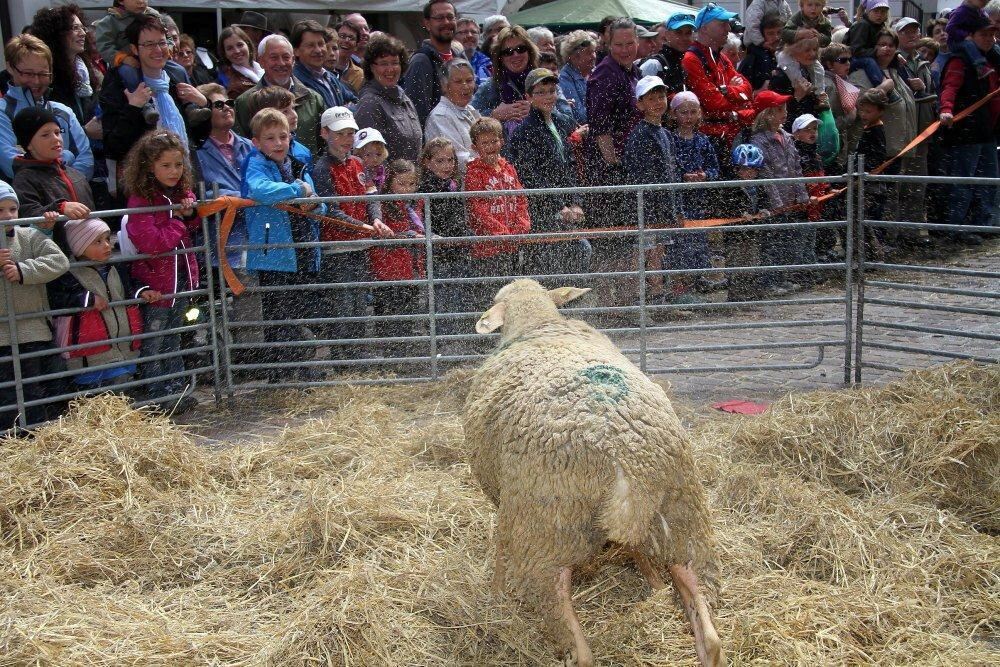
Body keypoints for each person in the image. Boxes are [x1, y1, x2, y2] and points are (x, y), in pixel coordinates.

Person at [240, 107, 324, 377]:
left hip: (300, 248)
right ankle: (281, 371)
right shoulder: (255, 165)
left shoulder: (297, 164)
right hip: (272, 252)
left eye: (283, 136)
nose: (278, 143)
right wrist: (296, 190)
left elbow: (318, 201)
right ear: (256, 142)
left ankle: (298, 366)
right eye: (270, 138)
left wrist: (314, 206)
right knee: (279, 314)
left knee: (298, 309)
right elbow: (260, 189)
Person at [119, 130, 200, 404]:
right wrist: (178, 219)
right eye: (165, 165)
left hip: (178, 280)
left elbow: (192, 227)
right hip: (156, 283)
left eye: (178, 165)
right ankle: (157, 393)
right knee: (155, 342)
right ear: (148, 166)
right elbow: (153, 242)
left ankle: (177, 391)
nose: (174, 171)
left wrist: (190, 210)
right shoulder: (141, 200)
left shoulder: (176, 195)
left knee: (173, 338)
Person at [47, 218, 161, 395]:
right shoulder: (68, 272)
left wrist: (142, 291)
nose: (107, 245)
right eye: (98, 242)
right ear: (78, 246)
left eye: (108, 239)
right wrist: (87, 299)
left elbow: (129, 285)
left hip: (122, 346)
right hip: (88, 353)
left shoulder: (116, 266)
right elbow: (59, 298)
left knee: (123, 390)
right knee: (92, 394)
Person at [311, 107, 389, 360]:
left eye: (351, 133)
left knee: (358, 302)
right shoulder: (322, 169)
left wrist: (375, 218)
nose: (347, 138)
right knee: (343, 303)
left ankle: (355, 355)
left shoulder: (357, 164)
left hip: (359, 244)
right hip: (338, 247)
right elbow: (329, 210)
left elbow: (371, 195)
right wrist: (366, 226)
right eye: (341, 133)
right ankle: (343, 357)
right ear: (325, 133)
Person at [506, 68, 590, 282]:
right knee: (548, 264)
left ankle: (568, 308)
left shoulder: (561, 122)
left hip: (566, 209)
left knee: (579, 253)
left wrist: (576, 202)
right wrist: (558, 206)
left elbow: (570, 167)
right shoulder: (524, 132)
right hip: (541, 211)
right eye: (540, 92)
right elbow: (529, 175)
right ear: (528, 97)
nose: (547, 96)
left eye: (551, 91)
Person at [0, 182, 70, 427]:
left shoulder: (29, 236)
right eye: (0, 210)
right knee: (6, 394)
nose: (8, 216)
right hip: (1, 336)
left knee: (34, 389)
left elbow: (59, 261)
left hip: (32, 330)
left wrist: (23, 270)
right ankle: (9, 441)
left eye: (12, 209)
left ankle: (35, 436)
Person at [99, 14, 209, 161]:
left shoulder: (176, 74)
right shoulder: (121, 81)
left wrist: (204, 103)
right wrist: (133, 108)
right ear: (134, 49)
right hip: (142, 178)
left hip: (183, 172)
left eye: (162, 43)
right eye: (149, 44)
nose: (158, 50)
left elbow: (198, 137)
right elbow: (113, 147)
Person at [938, 19, 1000, 244]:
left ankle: (983, 225)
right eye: (983, 35)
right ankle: (957, 227)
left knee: (989, 180)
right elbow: (950, 88)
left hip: (988, 131)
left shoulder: (993, 59)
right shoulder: (960, 60)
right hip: (966, 132)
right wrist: (946, 110)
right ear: (971, 37)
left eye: (991, 35)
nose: (989, 39)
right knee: (963, 182)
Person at [0, 34, 94, 180]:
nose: (36, 81)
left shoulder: (63, 111)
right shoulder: (2, 112)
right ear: (10, 68)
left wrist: (61, 185)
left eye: (43, 74)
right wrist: (67, 156)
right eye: (28, 74)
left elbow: (87, 162)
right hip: (23, 201)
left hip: (71, 197)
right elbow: (13, 164)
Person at [622, 76, 681, 304]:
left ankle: (656, 293)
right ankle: (637, 295)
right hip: (646, 207)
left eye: (661, 97)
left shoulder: (665, 134)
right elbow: (642, 177)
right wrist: (655, 206)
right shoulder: (640, 135)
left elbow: (672, 174)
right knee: (642, 252)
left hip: (663, 206)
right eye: (651, 98)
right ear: (640, 104)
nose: (658, 102)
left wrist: (674, 206)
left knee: (658, 250)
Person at [749, 90, 812, 295]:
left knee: (785, 240)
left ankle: (780, 277)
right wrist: (777, 202)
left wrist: (801, 195)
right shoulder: (759, 141)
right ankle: (767, 280)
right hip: (771, 202)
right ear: (766, 114)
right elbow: (765, 174)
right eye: (778, 109)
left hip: (788, 199)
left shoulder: (787, 137)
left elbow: (796, 168)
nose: (784, 112)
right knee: (771, 242)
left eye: (784, 108)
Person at [464, 117, 530, 309]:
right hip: (488, 249)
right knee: (492, 297)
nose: (491, 146)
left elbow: (520, 198)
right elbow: (478, 209)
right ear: (475, 146)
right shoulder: (474, 173)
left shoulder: (509, 168)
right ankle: (487, 336)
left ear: (501, 140)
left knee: (512, 293)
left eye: (494, 141)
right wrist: (500, 232)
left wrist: (522, 223)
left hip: (513, 244)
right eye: (485, 143)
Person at [683, 5, 755, 178]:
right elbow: (713, 103)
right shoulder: (692, 59)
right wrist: (734, 95)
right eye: (723, 24)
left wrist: (726, 90)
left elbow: (748, 91)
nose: (728, 28)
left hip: (728, 135)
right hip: (709, 138)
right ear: (705, 28)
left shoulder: (721, 57)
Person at [11, 106, 95, 253]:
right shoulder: (24, 179)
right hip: (54, 259)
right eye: (45, 135)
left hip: (89, 254)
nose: (56, 139)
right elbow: (28, 214)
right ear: (29, 144)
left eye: (57, 132)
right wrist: (59, 208)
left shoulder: (76, 174)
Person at [666, 90, 720, 301]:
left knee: (698, 241)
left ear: (699, 114)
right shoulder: (671, 140)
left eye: (692, 112)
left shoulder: (703, 141)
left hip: (698, 201)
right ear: (674, 115)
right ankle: (680, 286)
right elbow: (668, 169)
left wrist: (705, 176)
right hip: (679, 200)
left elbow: (715, 169)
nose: (688, 117)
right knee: (679, 244)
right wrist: (682, 177)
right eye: (683, 112)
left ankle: (696, 281)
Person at [417, 137, 472, 340]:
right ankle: (443, 340)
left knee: (459, 295)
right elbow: (420, 219)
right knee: (442, 297)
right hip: (439, 253)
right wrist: (434, 237)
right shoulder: (425, 187)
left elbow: (458, 214)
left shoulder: (453, 184)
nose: (447, 165)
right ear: (427, 162)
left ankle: (457, 337)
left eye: (450, 160)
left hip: (457, 248)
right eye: (440, 161)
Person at [234, 34, 325, 155]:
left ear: (293, 60)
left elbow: (324, 144)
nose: (281, 63)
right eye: (274, 57)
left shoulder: (313, 99)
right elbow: (241, 147)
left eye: (286, 57)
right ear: (261, 61)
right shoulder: (246, 102)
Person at [369, 159, 424, 357]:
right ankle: (391, 356)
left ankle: (403, 354)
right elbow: (386, 235)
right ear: (390, 182)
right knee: (389, 314)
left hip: (410, 268)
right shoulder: (384, 204)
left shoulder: (416, 203)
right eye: (401, 184)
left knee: (407, 313)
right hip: (388, 270)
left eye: (411, 184)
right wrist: (410, 236)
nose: (407, 189)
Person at [894, 17, 937, 233]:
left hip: (921, 131)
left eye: (915, 31)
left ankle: (910, 232)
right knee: (897, 185)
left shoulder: (922, 62)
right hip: (900, 134)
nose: (912, 35)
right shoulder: (892, 61)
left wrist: (924, 89)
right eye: (906, 32)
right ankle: (893, 233)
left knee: (917, 184)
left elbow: (931, 95)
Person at [28, 3, 101, 125]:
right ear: (57, 34)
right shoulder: (47, 76)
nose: (83, 33)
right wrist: (85, 131)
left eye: (83, 27)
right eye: (75, 28)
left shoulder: (84, 69)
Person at [355, 34, 423, 162]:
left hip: (411, 179)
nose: (390, 69)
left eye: (395, 63)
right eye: (383, 63)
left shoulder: (405, 99)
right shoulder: (369, 104)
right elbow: (370, 158)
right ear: (371, 67)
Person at [404, 1, 464, 127]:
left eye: (450, 17)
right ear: (427, 24)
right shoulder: (421, 61)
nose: (446, 22)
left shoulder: (459, 57)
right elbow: (417, 114)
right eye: (440, 18)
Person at [471, 25, 539, 130]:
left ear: (529, 52)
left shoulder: (545, 81)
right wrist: (493, 115)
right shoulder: (489, 87)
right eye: (508, 52)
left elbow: (568, 120)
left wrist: (539, 110)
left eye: (521, 49)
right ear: (500, 58)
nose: (515, 55)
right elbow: (469, 119)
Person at [724, 144, 769, 301]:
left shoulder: (759, 186)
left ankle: (751, 290)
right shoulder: (731, 187)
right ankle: (735, 293)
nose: (747, 173)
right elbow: (726, 206)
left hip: (752, 232)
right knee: (736, 261)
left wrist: (764, 210)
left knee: (753, 260)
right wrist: (740, 214)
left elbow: (764, 200)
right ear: (737, 170)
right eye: (743, 169)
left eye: (752, 170)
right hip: (735, 234)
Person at [424, 59, 481, 172]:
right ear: (445, 86)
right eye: (458, 81)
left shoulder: (470, 109)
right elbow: (458, 159)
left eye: (469, 80)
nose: (465, 86)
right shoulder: (440, 116)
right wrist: (488, 165)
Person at [290, 20, 357, 110]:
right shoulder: (296, 81)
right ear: (296, 51)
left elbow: (356, 102)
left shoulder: (330, 77)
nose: (318, 50)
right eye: (310, 45)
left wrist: (342, 112)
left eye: (321, 44)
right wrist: (344, 112)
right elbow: (321, 116)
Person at [777, 0, 836, 103]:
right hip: (790, 50)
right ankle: (799, 84)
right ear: (802, 6)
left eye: (817, 5)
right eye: (809, 5)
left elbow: (827, 39)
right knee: (789, 64)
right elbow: (785, 33)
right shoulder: (797, 18)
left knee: (819, 69)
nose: (813, 8)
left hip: (810, 50)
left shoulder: (824, 21)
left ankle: (819, 95)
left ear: (823, 7)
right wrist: (801, 33)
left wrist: (819, 36)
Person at [769, 37, 825, 128]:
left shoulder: (809, 69)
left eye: (815, 49)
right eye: (807, 50)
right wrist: (797, 97)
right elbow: (778, 116)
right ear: (793, 50)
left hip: (810, 130)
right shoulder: (780, 77)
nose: (812, 53)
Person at [846, 0, 897, 92]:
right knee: (869, 61)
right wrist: (876, 52)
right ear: (868, 11)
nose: (879, 15)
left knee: (897, 60)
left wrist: (897, 54)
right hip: (850, 60)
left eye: (883, 12)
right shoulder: (862, 25)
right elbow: (856, 50)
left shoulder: (881, 26)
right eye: (876, 11)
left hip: (867, 56)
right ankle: (882, 87)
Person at [92, 0, 161, 69]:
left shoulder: (153, 16)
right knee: (128, 70)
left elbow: (167, 36)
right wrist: (123, 58)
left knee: (169, 65)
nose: (140, 1)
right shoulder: (109, 22)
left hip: (155, 56)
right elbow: (105, 47)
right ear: (121, 1)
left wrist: (168, 48)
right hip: (127, 62)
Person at [641, 12, 696, 96]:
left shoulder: (691, 62)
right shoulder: (654, 65)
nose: (684, 38)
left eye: (688, 33)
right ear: (667, 35)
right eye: (678, 32)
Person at [945, 0, 1000, 78]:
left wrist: (992, 36)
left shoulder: (980, 11)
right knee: (969, 44)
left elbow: (986, 23)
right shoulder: (961, 11)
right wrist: (965, 35)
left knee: (995, 46)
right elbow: (949, 28)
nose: (985, 2)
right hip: (955, 41)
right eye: (984, 35)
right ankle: (980, 67)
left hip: (969, 38)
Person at [558, 31, 597, 124]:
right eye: (589, 53)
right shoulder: (565, 79)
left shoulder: (595, 72)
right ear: (573, 57)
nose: (593, 56)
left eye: (594, 51)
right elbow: (580, 116)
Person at [739, 12, 784, 93]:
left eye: (779, 32)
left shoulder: (792, 55)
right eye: (770, 33)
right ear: (763, 36)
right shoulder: (752, 60)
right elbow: (741, 93)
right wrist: (760, 92)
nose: (776, 37)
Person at [216, 27, 263, 100]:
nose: (237, 51)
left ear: (247, 44)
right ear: (225, 54)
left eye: (240, 45)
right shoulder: (235, 88)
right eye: (230, 48)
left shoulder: (265, 69)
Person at [456, 18, 492, 86]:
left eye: (474, 32)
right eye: (463, 32)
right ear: (453, 37)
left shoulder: (487, 63)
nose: (470, 35)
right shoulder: (448, 62)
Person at [354, 127, 389, 193]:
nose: (375, 159)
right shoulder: (356, 173)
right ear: (358, 156)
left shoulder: (385, 171)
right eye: (368, 155)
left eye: (378, 154)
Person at [333, 22, 366, 93]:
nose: (346, 41)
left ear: (356, 46)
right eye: (342, 36)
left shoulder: (361, 75)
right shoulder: (321, 69)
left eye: (351, 38)